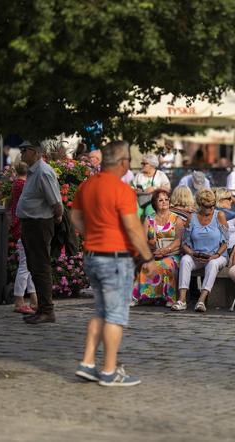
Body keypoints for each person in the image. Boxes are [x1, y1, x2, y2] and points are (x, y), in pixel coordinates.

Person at [72, 140, 154, 387]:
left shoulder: (87, 186)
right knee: (115, 315)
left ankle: (87, 363)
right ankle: (109, 371)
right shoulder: (123, 190)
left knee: (100, 310)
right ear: (122, 163)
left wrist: (92, 234)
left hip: (92, 256)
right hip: (115, 258)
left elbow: (74, 217)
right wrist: (147, 257)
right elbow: (132, 227)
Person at [16, 141, 63, 324]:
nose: (21, 153)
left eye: (24, 150)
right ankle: (42, 309)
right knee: (35, 267)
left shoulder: (43, 172)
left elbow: (56, 204)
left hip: (39, 224)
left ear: (35, 153)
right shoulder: (34, 171)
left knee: (41, 267)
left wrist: (57, 219)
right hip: (32, 224)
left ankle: (47, 310)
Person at [172, 189, 229, 312]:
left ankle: (201, 300)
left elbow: (225, 242)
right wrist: (192, 253)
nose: (209, 209)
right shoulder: (192, 217)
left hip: (217, 255)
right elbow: (184, 243)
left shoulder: (219, 215)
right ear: (199, 204)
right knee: (185, 260)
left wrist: (216, 255)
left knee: (213, 264)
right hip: (196, 254)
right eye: (206, 206)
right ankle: (182, 300)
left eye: (212, 206)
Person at [132, 188, 185, 307]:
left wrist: (166, 250)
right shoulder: (149, 219)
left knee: (165, 264)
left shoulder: (177, 219)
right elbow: (143, 240)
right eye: (160, 200)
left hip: (172, 254)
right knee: (146, 265)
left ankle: (169, 298)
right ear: (155, 203)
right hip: (154, 253)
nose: (164, 202)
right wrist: (151, 249)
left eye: (166, 199)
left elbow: (178, 240)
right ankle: (144, 297)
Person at [9, 162, 37, 314]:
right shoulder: (22, 184)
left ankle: (34, 299)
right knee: (25, 265)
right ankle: (19, 300)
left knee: (29, 265)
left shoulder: (16, 183)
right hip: (23, 227)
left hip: (20, 226)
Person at [215, 187, 235, 253]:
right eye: (229, 199)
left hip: (216, 251)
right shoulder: (233, 216)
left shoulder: (209, 214)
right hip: (232, 251)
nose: (231, 201)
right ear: (221, 200)